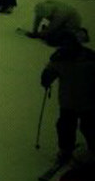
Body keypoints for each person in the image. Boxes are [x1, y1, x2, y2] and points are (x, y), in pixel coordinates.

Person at [40, 31, 95, 165]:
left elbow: (47, 76)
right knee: (77, 125)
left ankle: (67, 150)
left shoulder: (59, 59)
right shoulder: (88, 56)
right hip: (80, 101)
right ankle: (70, 150)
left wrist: (46, 79)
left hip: (75, 101)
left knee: (70, 125)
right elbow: (48, 75)